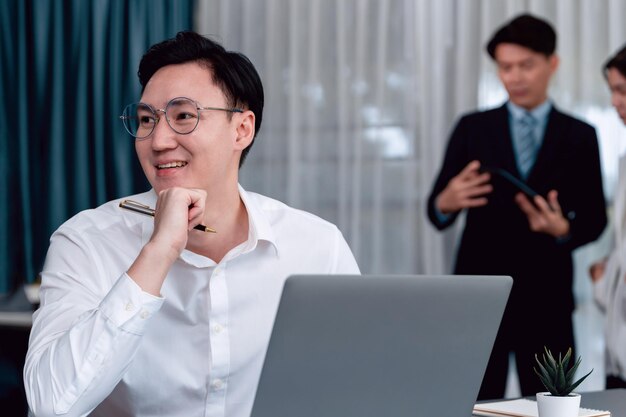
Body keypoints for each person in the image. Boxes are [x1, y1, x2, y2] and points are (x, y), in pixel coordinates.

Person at [24, 31, 360, 417]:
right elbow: (51, 405)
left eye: (184, 116)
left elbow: (355, 385)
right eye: (147, 119)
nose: (158, 140)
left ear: (242, 130)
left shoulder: (317, 246)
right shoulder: (85, 241)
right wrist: (158, 252)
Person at [427, 14, 607, 399]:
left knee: (553, 403)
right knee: (473, 401)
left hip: (548, 296)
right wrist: (447, 201)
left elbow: (595, 219)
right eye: (506, 67)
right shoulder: (472, 128)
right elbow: (437, 209)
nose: (515, 77)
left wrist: (564, 231)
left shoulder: (580, 135)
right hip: (480, 295)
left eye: (526, 65)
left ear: (551, 63)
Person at [590, 45, 626, 390]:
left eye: (623, 90)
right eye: (613, 91)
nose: (615, 102)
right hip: (619, 355)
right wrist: (603, 278)